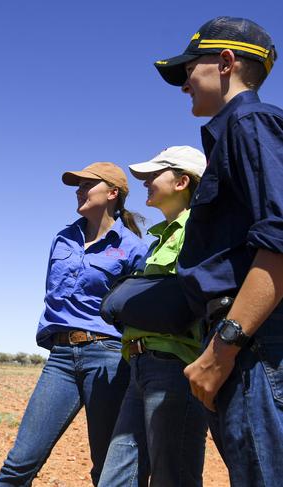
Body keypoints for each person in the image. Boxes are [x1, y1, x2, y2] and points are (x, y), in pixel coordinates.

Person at [155, 16, 283, 485]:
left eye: (191, 67)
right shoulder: (237, 131)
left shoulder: (249, 123)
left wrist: (223, 349)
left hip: (253, 343)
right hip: (248, 340)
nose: (185, 81)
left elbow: (281, 239)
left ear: (226, 62)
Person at [0, 163, 147, 486]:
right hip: (61, 358)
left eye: (86, 184)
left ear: (112, 193)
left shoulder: (134, 248)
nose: (78, 190)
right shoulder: (63, 238)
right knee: (20, 461)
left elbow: (138, 307)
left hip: (107, 357)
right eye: (77, 185)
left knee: (106, 466)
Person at [98, 146, 208, 487]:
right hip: (140, 365)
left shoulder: (201, 230)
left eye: (153, 175)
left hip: (176, 368)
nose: (144, 182)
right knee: (115, 478)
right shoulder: (158, 239)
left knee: (171, 478)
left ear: (182, 182)